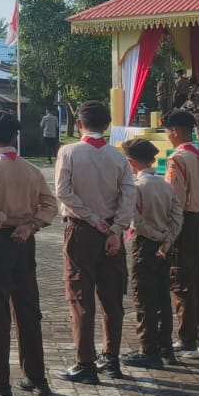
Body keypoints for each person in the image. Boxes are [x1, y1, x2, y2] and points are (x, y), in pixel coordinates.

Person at [0, 110, 58, 396]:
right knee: (28, 308)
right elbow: (49, 204)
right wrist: (30, 224)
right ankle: (36, 377)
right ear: (15, 137)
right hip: (25, 240)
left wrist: (5, 220)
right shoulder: (31, 170)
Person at [53, 100, 137, 381]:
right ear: (108, 126)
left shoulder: (69, 152)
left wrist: (91, 218)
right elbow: (129, 197)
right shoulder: (119, 158)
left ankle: (85, 362)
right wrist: (117, 229)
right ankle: (111, 358)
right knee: (112, 297)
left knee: (80, 296)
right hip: (113, 230)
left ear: (80, 125)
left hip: (82, 230)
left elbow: (63, 192)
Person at [121, 139, 183, 370]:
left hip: (145, 245)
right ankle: (166, 346)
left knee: (144, 298)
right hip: (164, 246)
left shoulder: (136, 188)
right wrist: (168, 239)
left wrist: (155, 236)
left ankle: (149, 348)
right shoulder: (166, 185)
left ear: (131, 162)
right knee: (163, 297)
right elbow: (178, 215)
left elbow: (135, 220)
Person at [162, 110, 199, 358]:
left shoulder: (178, 159)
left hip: (184, 223)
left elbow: (176, 200)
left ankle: (187, 338)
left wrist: (169, 233)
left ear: (174, 131)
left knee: (182, 282)